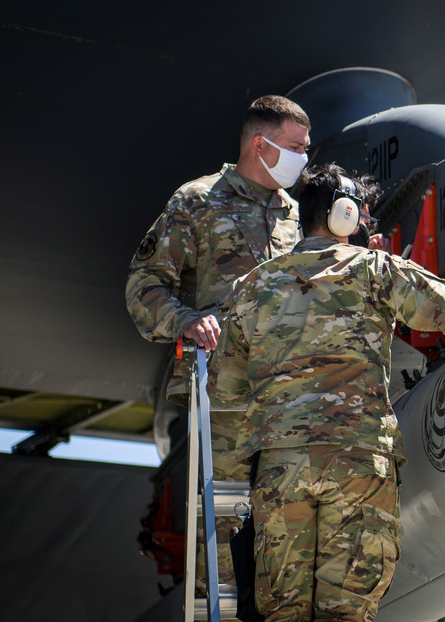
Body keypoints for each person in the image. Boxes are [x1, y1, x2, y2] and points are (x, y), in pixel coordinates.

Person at [209, 163, 445, 621]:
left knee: (283, 612)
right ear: (342, 214)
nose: (367, 224)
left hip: (280, 471)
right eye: (362, 214)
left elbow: (225, 392)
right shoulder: (375, 269)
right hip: (358, 463)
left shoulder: (253, 286)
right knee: (347, 610)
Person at [126, 94, 310, 587]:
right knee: (228, 524)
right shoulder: (197, 201)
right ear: (260, 145)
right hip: (224, 393)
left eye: (306, 147)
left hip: (293, 397)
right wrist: (186, 321)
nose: (304, 157)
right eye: (296, 147)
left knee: (294, 522)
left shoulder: (296, 214)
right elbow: (144, 287)